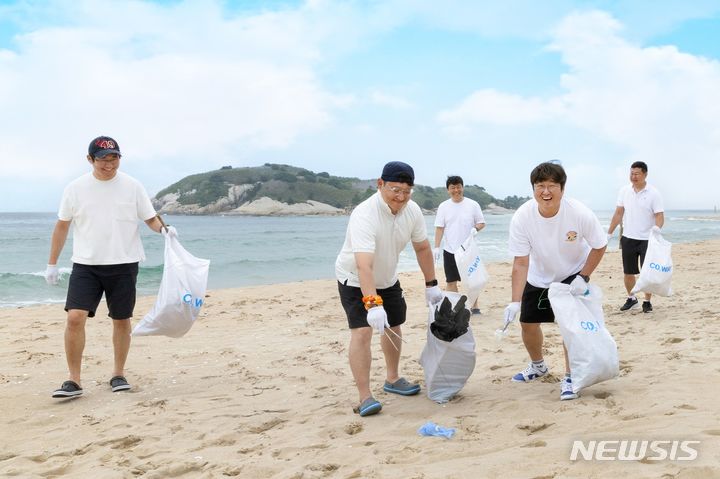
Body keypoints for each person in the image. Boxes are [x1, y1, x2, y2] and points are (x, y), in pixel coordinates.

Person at [45, 136, 169, 399]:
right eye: (102, 158)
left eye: (114, 157)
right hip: (86, 265)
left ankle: (118, 374)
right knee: (74, 317)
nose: (109, 164)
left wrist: (165, 230)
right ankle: (73, 380)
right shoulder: (75, 188)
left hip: (124, 263)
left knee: (121, 320)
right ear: (90, 160)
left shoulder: (132, 186)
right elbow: (62, 226)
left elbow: (149, 217)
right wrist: (52, 263)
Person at [335, 161, 443, 417]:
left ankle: (392, 379)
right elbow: (364, 265)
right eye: (395, 190)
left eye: (407, 191)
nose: (401, 197)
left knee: (393, 326)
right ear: (380, 184)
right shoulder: (364, 214)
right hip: (354, 278)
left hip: (388, 277)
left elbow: (422, 248)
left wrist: (431, 285)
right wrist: (372, 304)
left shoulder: (412, 210)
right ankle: (365, 397)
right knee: (362, 332)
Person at [504, 161, 607, 400]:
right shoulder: (522, 217)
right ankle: (538, 365)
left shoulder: (579, 213)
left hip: (572, 274)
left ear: (562, 188)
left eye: (552, 185)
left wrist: (583, 277)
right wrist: (514, 302)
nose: (546, 192)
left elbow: (599, 246)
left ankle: (571, 375)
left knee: (569, 327)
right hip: (538, 276)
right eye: (540, 186)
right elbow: (521, 262)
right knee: (528, 324)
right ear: (533, 188)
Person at [607, 161, 664, 313]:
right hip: (628, 238)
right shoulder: (624, 191)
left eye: (637, 174)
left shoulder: (653, 193)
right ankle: (632, 298)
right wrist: (609, 233)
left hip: (647, 239)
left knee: (646, 273)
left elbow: (659, 215)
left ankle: (647, 301)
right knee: (628, 272)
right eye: (631, 173)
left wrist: (657, 229)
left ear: (645, 174)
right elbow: (618, 213)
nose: (633, 176)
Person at [433, 175, 486, 314]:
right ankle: (455, 307)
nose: (456, 190)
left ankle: (474, 307)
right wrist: (436, 247)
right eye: (452, 188)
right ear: (448, 190)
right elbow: (439, 228)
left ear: (462, 187)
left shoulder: (473, 204)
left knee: (472, 281)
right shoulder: (443, 206)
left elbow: (481, 222)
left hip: (468, 250)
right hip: (450, 250)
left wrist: (476, 229)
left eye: (458, 187)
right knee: (451, 281)